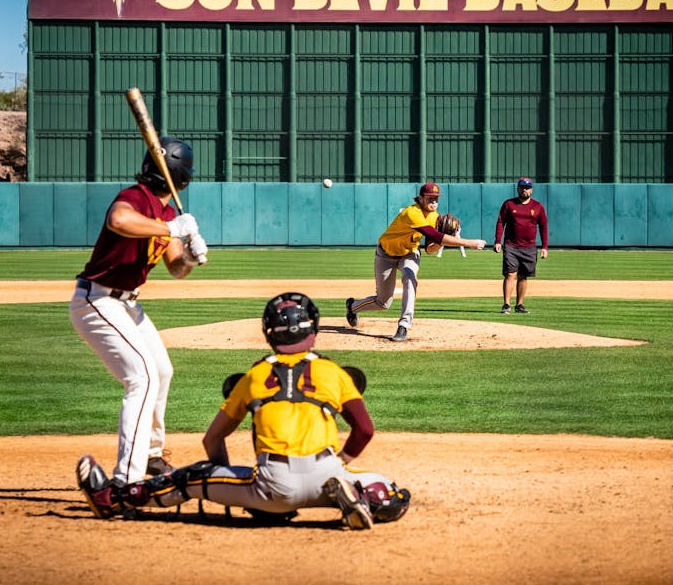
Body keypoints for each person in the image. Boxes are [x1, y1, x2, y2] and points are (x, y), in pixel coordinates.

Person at [75, 292, 411, 530]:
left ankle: (115, 498)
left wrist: (223, 474)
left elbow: (213, 439)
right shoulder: (332, 372)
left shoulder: (254, 376)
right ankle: (365, 497)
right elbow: (365, 429)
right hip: (327, 476)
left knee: (190, 478)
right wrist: (342, 462)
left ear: (268, 332)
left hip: (272, 485)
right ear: (314, 328)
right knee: (392, 491)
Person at [70, 138, 209, 487]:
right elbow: (119, 220)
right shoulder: (137, 198)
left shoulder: (167, 213)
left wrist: (190, 255)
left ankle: (150, 455)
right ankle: (125, 482)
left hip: (127, 303)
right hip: (96, 300)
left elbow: (176, 267)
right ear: (184, 178)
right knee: (141, 377)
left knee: (161, 371)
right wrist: (171, 229)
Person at [345, 182, 486, 342]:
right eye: (430, 198)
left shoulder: (434, 216)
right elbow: (433, 234)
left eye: (436, 199)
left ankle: (404, 326)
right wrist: (469, 243)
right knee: (383, 302)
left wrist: (441, 242)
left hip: (410, 252)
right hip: (386, 254)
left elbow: (430, 249)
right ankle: (352, 306)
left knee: (410, 279)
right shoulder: (412, 213)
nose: (434, 202)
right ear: (420, 198)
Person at [493, 177, 549, 314]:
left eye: (527, 188)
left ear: (531, 190)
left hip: (529, 246)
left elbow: (543, 226)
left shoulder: (538, 206)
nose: (525, 190)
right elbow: (501, 222)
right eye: (522, 187)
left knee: (523, 276)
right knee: (510, 274)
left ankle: (519, 305)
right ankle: (506, 304)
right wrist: (497, 241)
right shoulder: (509, 204)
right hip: (511, 245)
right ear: (517, 188)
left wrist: (545, 247)